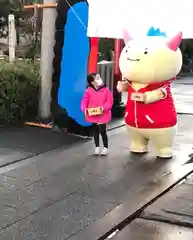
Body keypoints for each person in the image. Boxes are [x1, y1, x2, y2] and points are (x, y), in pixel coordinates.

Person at [81, 73, 113, 155]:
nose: (99, 80)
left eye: (99, 77)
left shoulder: (105, 89)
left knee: (102, 130)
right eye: (97, 78)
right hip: (93, 113)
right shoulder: (88, 90)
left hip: (103, 114)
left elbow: (109, 101)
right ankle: (97, 147)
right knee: (95, 130)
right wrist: (84, 109)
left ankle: (105, 147)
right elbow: (84, 100)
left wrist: (103, 108)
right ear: (92, 82)